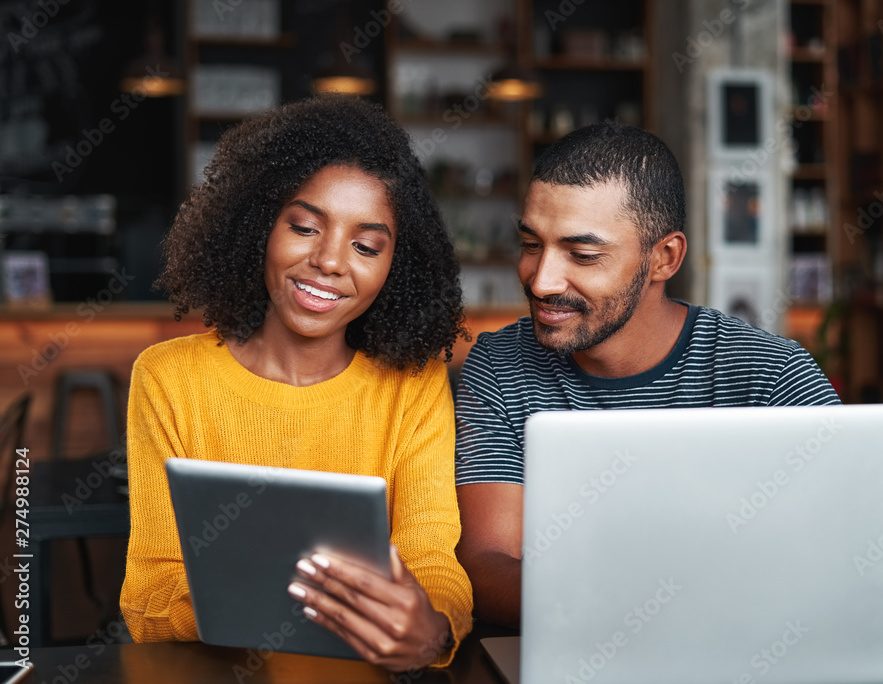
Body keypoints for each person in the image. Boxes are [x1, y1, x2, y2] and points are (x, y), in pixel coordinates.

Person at [120, 95, 472, 671]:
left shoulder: (412, 385)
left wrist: (431, 629)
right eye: (305, 227)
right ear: (259, 224)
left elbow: (432, 561)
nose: (331, 261)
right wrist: (307, 604)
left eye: (366, 246)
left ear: (395, 267)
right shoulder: (168, 378)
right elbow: (150, 602)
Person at [453, 121, 842, 627]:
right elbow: (484, 568)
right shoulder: (500, 366)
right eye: (531, 245)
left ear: (664, 258)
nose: (542, 280)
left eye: (583, 255)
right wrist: (638, 612)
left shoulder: (770, 375)